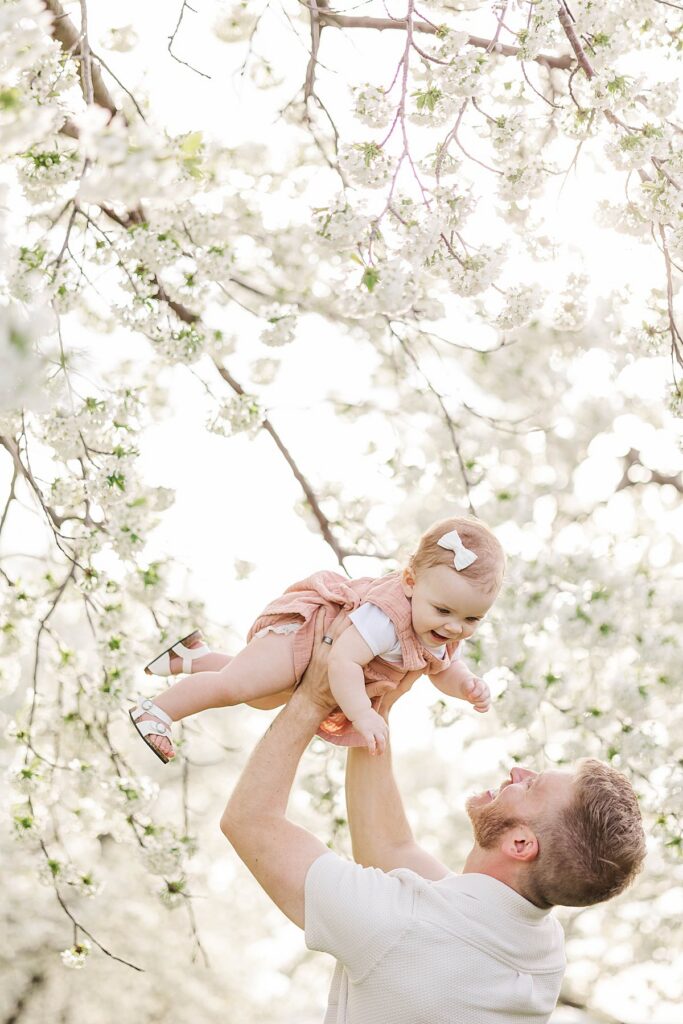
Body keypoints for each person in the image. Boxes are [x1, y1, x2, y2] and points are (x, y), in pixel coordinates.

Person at [220, 614, 646, 1024]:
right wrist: (377, 706)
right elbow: (390, 849)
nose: (519, 771)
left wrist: (313, 697)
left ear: (520, 844)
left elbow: (250, 821)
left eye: (532, 786)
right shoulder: (541, 951)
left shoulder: (403, 928)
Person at [129, 515, 505, 761]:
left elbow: (443, 667)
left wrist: (466, 685)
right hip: (306, 636)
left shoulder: (440, 624)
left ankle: (194, 656)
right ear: (409, 582)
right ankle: (159, 711)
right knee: (237, 685)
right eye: (444, 612)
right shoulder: (385, 617)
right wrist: (361, 714)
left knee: (261, 697)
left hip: (310, 660)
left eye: (472, 618)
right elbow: (343, 660)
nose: (455, 627)